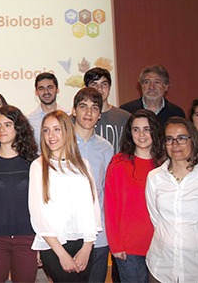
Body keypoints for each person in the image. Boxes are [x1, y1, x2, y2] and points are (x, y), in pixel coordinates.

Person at [29, 110, 101, 283]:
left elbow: (93, 208)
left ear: (67, 131)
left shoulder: (84, 165)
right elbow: (39, 216)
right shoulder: (38, 166)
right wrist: (61, 254)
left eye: (56, 129)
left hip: (83, 244)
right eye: (46, 130)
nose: (51, 135)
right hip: (54, 247)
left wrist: (87, 247)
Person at [0, 105, 38, 283]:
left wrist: (42, 242)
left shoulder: (32, 162)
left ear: (18, 128)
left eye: (8, 124)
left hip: (28, 241)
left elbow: (40, 206)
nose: (2, 129)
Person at [145, 117, 198, 283]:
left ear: (193, 140)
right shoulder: (155, 177)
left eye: (182, 138)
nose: (175, 144)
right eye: (169, 139)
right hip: (162, 267)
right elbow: (156, 219)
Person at [104, 110, 164, 283]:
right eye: (136, 129)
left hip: (162, 247)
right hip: (129, 250)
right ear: (130, 133)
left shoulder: (165, 165)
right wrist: (115, 245)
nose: (142, 134)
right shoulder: (119, 163)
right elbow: (110, 206)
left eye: (147, 129)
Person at [71, 88, 113, 283]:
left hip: (99, 236)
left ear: (99, 115)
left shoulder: (106, 148)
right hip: (69, 235)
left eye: (94, 108)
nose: (88, 113)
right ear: (73, 111)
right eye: (83, 106)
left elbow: (108, 192)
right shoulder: (60, 144)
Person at [84, 68, 130, 154]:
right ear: (87, 88)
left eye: (104, 84)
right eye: (94, 84)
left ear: (109, 87)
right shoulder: (78, 118)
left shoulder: (125, 118)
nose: (99, 88)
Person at [120, 65, 185, 125]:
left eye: (157, 82)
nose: (151, 87)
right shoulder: (126, 111)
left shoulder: (176, 113)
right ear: (142, 85)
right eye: (147, 82)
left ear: (166, 87)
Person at [27, 73, 70, 147]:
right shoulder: (29, 120)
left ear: (57, 90)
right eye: (41, 89)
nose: (46, 92)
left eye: (50, 88)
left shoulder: (69, 116)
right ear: (36, 92)